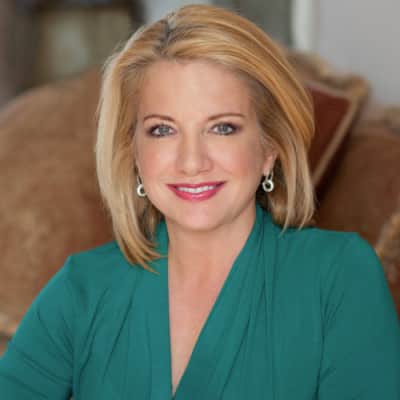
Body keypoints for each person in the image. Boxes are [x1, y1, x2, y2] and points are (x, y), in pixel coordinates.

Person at [1, 4, 399, 399]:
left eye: (222, 128)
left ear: (269, 147)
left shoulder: (338, 277)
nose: (192, 162)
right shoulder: (82, 288)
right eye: (162, 130)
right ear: (133, 151)